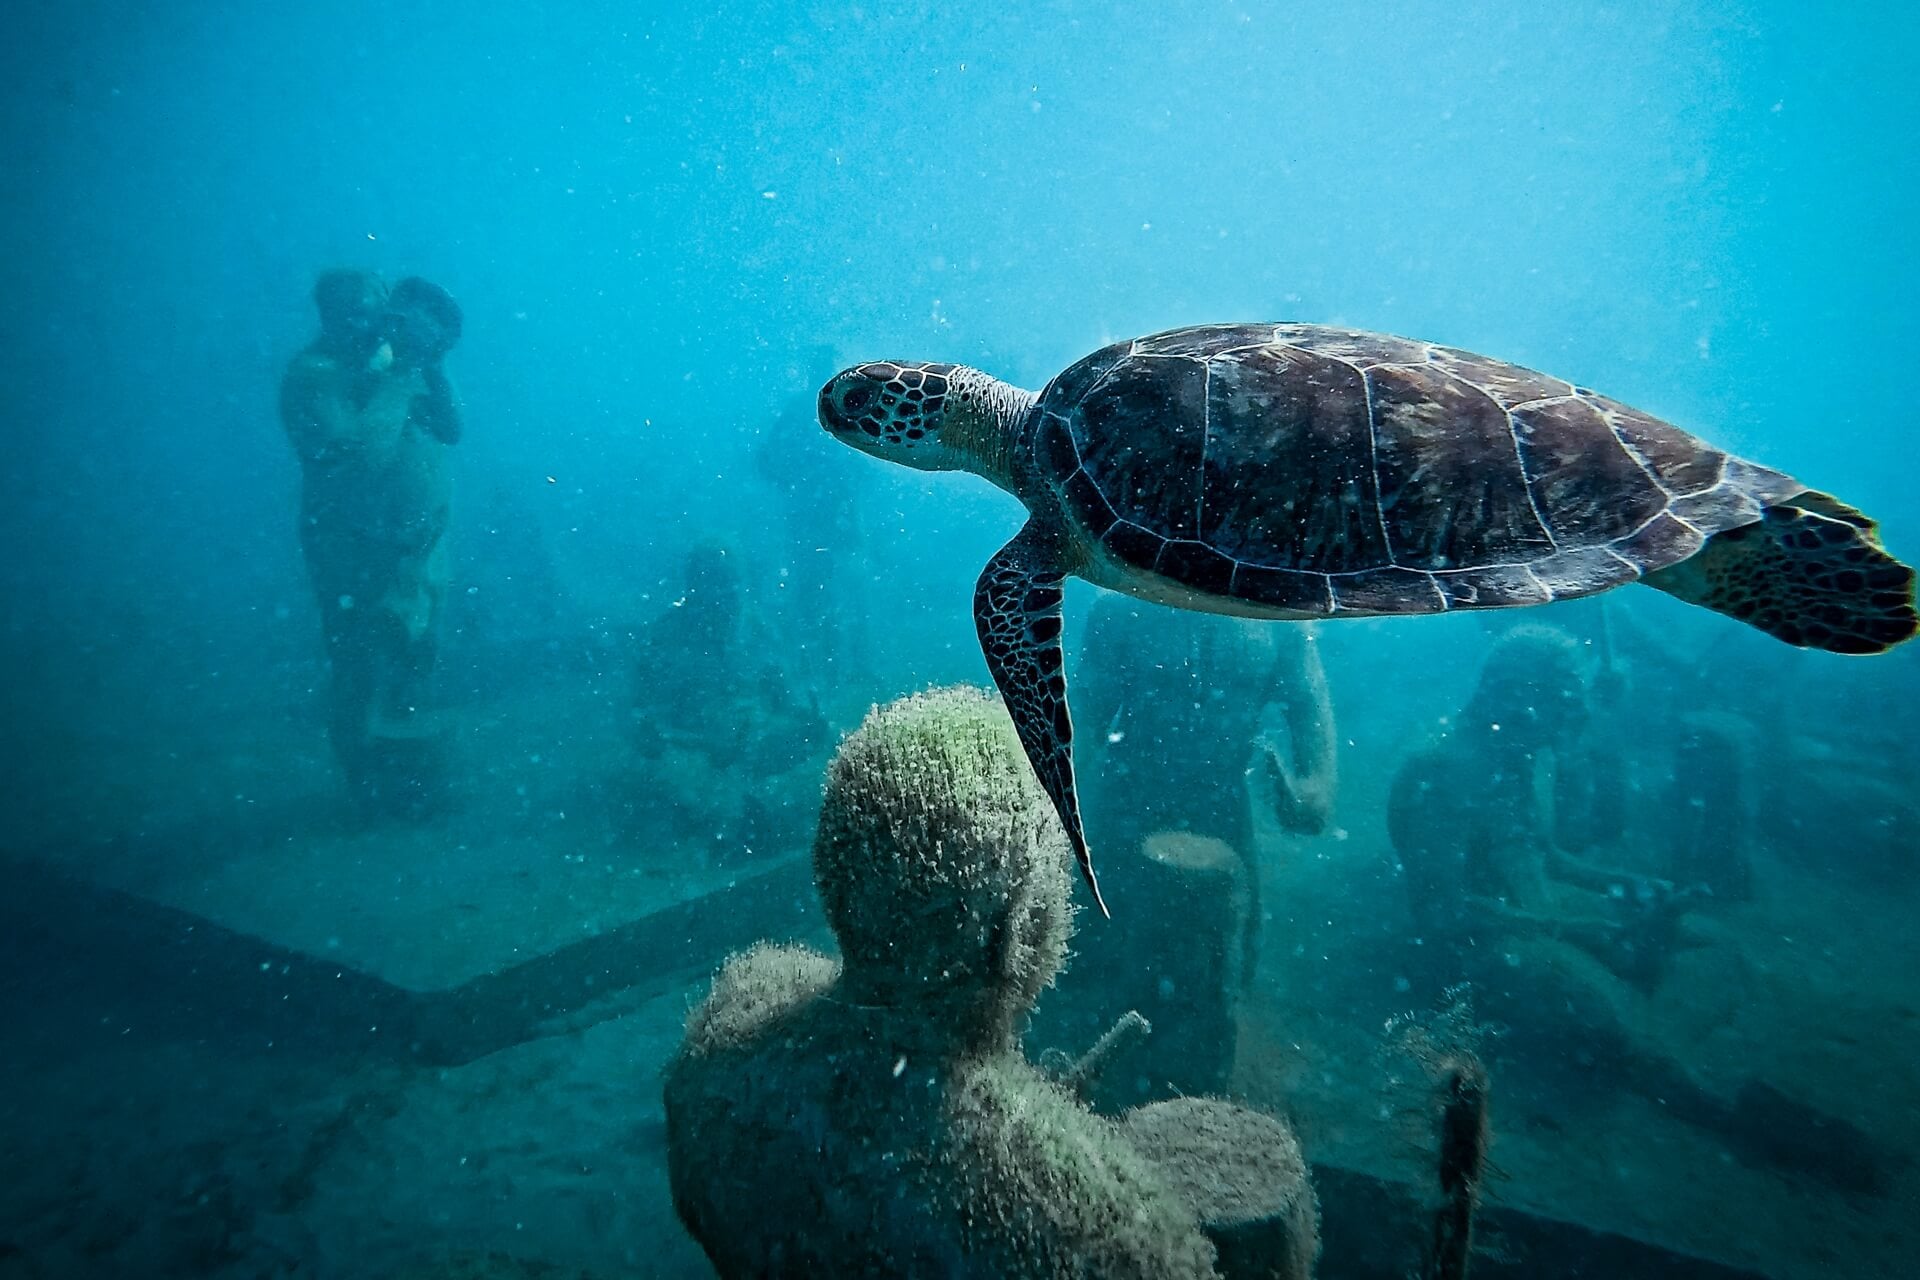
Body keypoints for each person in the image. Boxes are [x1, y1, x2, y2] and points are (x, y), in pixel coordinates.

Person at [1388, 625, 1890, 1192]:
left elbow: (1547, 857)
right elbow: (1443, 914)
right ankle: (1734, 1114)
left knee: (1716, 945)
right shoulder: (1442, 770)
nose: (1576, 711)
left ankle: (1720, 1070)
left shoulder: (1515, 755)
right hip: (1482, 950)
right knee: (1610, 1012)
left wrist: (1637, 886)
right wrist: (1582, 931)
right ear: (1523, 697)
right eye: (1565, 698)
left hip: (1541, 916)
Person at [280, 270, 463, 817]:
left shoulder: (387, 362)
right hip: (349, 549)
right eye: (354, 311)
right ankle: (365, 781)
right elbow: (353, 456)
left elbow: (450, 428)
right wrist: (401, 373)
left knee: (417, 651)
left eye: (378, 308)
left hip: (417, 542)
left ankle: (410, 771)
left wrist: (432, 360)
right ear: (327, 315)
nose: (372, 322)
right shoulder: (314, 375)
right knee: (358, 661)